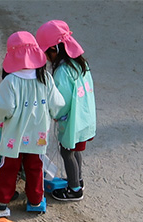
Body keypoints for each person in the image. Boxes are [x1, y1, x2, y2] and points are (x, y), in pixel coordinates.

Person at [0, 31, 65, 219]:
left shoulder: (10, 81)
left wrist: (5, 117)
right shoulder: (45, 78)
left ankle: (0, 204)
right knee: (35, 167)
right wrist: (53, 114)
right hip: (38, 134)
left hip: (14, 134)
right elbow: (58, 103)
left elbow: (5, 108)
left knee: (9, 168)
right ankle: (36, 201)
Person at [36, 20, 96, 202]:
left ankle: (74, 189)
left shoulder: (62, 72)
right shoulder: (80, 64)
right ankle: (77, 179)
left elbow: (60, 101)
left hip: (71, 120)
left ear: (54, 50)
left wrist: (54, 114)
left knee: (67, 152)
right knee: (76, 149)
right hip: (85, 118)